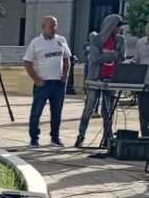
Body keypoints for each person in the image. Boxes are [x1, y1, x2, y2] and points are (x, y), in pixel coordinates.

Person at [75, 13, 126, 147]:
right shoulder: (96, 40)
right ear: (111, 26)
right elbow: (96, 58)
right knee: (88, 108)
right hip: (95, 78)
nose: (120, 29)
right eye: (118, 26)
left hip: (112, 79)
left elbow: (122, 57)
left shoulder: (120, 40)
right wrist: (114, 55)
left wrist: (109, 56)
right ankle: (81, 136)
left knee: (108, 110)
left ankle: (107, 138)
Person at [23, 16, 70, 147]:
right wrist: (36, 79)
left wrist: (65, 75)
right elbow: (27, 62)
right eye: (51, 26)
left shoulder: (61, 40)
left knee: (57, 112)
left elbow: (66, 59)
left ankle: (55, 137)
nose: (54, 29)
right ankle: (34, 138)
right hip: (43, 84)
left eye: (55, 26)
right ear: (43, 26)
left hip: (59, 84)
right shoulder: (36, 42)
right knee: (36, 112)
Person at [132, 20, 149, 137]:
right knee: (142, 113)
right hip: (143, 83)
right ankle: (144, 137)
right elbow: (137, 60)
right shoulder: (140, 42)